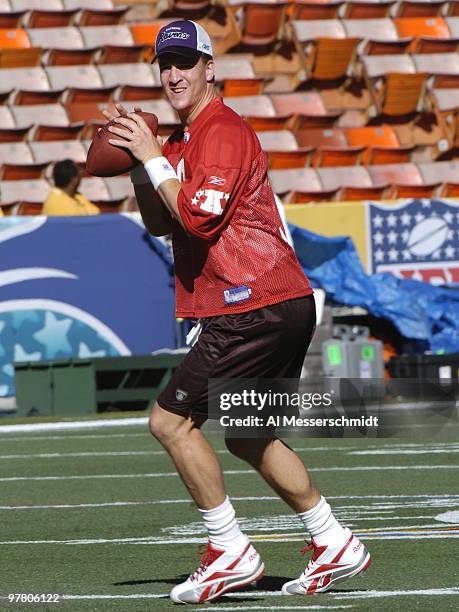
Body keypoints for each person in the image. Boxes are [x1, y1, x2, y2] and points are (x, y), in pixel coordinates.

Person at [103, 20, 371, 604]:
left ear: (209, 68)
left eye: (185, 62)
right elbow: (159, 220)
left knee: (169, 422)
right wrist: (137, 161)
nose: (173, 74)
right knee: (249, 435)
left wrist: (153, 157)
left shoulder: (219, 129)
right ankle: (334, 540)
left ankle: (228, 549)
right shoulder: (181, 140)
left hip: (253, 300)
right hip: (268, 300)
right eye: (164, 64)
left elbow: (199, 219)